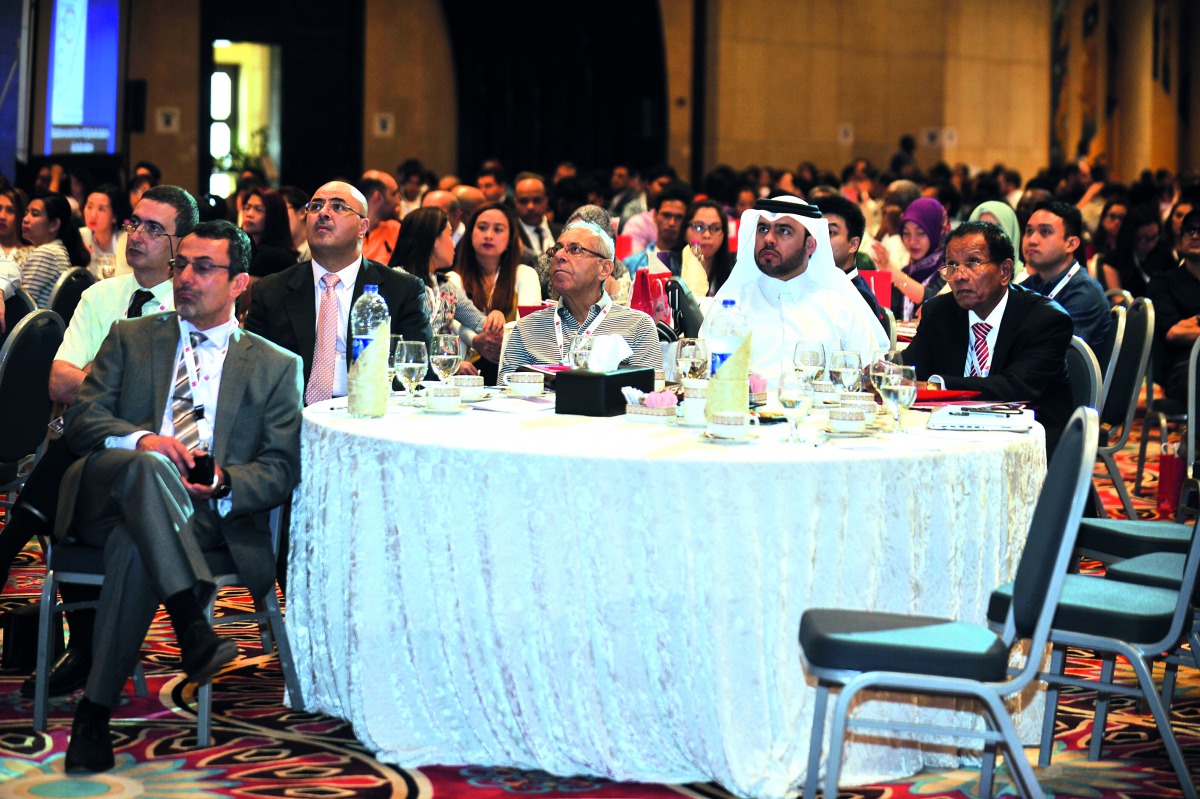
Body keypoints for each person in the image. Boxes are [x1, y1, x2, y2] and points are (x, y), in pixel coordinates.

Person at [59, 219, 303, 774]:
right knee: (148, 468)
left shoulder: (274, 365)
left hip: (200, 516)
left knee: (133, 546)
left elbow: (280, 468)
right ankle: (190, 616)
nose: (185, 278)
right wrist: (144, 440)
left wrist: (223, 482)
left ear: (240, 284)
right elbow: (81, 421)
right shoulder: (131, 335)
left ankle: (94, 713)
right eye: (180, 265)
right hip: (108, 492)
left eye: (203, 267)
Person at [0, 186, 197, 699]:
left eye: (155, 229)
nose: (138, 236)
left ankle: (11, 543)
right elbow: (56, 382)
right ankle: (84, 647)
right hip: (94, 452)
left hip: (157, 458)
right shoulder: (101, 295)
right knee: (80, 453)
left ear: (181, 245)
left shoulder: (193, 302)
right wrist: (118, 382)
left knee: (74, 453)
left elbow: (176, 400)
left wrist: (104, 385)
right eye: (135, 224)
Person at [244, 181, 431, 404]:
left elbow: (415, 368)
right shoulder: (270, 291)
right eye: (315, 207)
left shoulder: (402, 290)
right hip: (292, 418)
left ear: (363, 227)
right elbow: (254, 372)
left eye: (338, 207)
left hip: (370, 417)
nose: (323, 213)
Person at [903, 220, 1074, 453]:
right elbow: (911, 366)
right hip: (948, 441)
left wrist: (938, 386)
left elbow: (1015, 387)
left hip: (1026, 447)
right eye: (951, 265)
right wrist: (884, 372)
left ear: (1004, 271)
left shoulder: (1044, 319)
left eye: (972, 263)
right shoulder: (939, 311)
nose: (959, 275)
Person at [702, 196, 889, 388]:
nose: (768, 239)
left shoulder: (842, 309)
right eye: (763, 229)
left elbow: (871, 380)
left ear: (810, 245)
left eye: (783, 231)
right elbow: (703, 377)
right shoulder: (728, 307)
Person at [498, 221, 659, 379]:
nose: (559, 256)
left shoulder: (638, 326)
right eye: (557, 249)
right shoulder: (527, 328)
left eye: (575, 249)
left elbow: (646, 398)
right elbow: (505, 396)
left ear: (604, 269)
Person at [390, 206, 502, 370]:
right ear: (434, 240)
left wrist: (496, 319)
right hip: (404, 375)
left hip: (438, 380)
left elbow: (478, 322)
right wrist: (449, 363)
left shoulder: (446, 287)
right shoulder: (396, 280)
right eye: (449, 236)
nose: (454, 245)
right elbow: (399, 340)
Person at [453, 201, 541, 383]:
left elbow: (529, 327)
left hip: (512, 373)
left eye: (498, 230)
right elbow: (451, 320)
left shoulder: (525, 274)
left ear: (510, 239)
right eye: (482, 228)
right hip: (464, 374)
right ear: (470, 235)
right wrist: (475, 340)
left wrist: (501, 322)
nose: (488, 235)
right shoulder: (453, 278)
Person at [1021, 201, 1111, 354]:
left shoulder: (1085, 293)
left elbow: (1056, 358)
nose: (1032, 240)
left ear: (1071, 244)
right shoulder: (1032, 284)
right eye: (1029, 231)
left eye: (1045, 232)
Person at [1146, 209, 1200, 401]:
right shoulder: (1163, 281)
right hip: (1182, 368)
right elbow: (1174, 332)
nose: (1195, 235)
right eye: (1190, 230)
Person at [811, 194, 884, 325]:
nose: (818, 239)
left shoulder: (859, 297)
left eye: (829, 232)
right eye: (815, 231)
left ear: (853, 244)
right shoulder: (809, 283)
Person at [883, 196, 947, 321]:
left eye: (921, 233)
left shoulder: (949, 267)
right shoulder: (909, 269)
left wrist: (891, 270)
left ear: (936, 231)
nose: (912, 241)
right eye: (906, 233)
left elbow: (932, 299)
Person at [20, 192, 89, 306]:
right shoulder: (56, 251)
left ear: (54, 224)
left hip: (33, 323)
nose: (25, 219)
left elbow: (21, 304)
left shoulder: (46, 253)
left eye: (35, 214)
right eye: (26, 212)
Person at [621, 182, 692, 276]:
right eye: (666, 215)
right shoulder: (631, 264)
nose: (672, 223)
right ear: (655, 216)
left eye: (679, 217)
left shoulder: (693, 265)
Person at [1100, 203, 1172, 295]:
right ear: (1131, 235)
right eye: (1142, 239)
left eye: (1153, 237)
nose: (1149, 244)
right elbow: (1118, 298)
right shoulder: (1114, 260)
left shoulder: (1165, 255)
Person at [241, 186, 298, 279]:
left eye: (259, 209)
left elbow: (245, 291)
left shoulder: (271, 255)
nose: (249, 214)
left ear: (274, 215)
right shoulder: (252, 249)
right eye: (247, 207)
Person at [681, 198, 733, 296]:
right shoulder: (668, 266)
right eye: (698, 227)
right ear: (684, 232)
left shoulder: (734, 269)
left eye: (715, 228)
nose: (707, 235)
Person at [79, 184, 132, 279]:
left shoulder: (124, 239)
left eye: (101, 209)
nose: (93, 215)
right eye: (90, 207)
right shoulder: (80, 236)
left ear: (114, 217)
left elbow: (124, 279)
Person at [513, 173, 561, 258]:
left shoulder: (563, 232)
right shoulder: (510, 236)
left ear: (546, 201)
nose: (530, 206)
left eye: (537, 200)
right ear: (515, 202)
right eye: (524, 201)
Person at [358, 170, 401, 263]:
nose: (398, 201)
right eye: (393, 194)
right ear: (378, 197)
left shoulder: (395, 229)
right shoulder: (349, 232)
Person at [279, 185, 312, 262]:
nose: (277, 216)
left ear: (302, 212)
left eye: (282, 209)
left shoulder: (314, 253)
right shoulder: (277, 253)